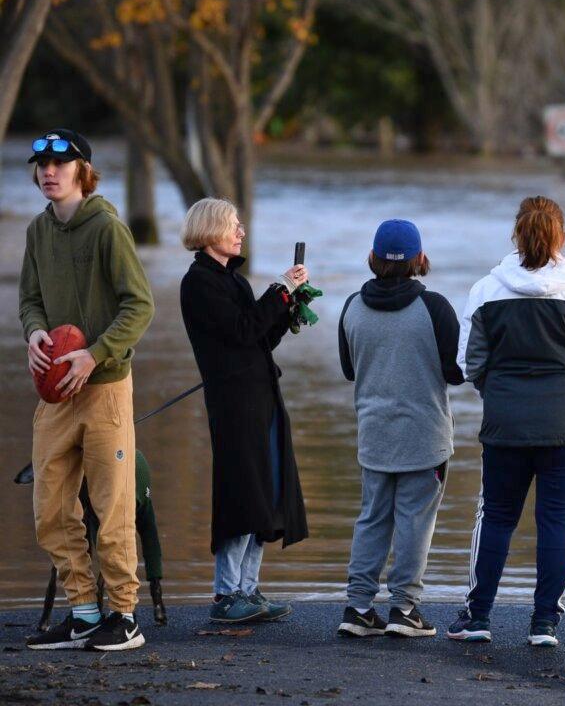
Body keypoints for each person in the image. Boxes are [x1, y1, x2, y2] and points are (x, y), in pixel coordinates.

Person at [448, 196, 565, 647]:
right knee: (558, 519)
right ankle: (544, 623)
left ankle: (478, 617)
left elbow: (469, 363)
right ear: (561, 235)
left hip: (506, 423)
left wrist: (499, 397)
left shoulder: (487, 290)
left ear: (516, 234)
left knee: (495, 515)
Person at [20, 129, 155, 651]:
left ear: (83, 171)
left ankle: (124, 615)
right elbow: (30, 299)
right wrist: (35, 332)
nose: (48, 172)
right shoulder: (38, 230)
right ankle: (82, 611)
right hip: (55, 394)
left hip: (105, 389)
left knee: (113, 508)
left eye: (60, 164)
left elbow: (140, 305)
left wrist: (95, 353)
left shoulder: (108, 229)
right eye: (41, 165)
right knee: (50, 509)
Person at [179, 198, 309, 624]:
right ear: (211, 231)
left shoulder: (232, 280)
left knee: (264, 494)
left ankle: (249, 590)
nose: (241, 232)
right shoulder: (199, 282)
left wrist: (286, 308)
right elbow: (240, 330)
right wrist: (279, 290)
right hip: (234, 405)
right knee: (241, 493)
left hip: (262, 398)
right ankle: (226, 594)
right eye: (233, 225)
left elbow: (258, 339)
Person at [336, 219, 464, 639]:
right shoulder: (436, 308)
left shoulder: (352, 306)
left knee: (372, 518)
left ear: (373, 258)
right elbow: (456, 372)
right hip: (425, 438)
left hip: (373, 434)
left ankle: (358, 608)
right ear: (419, 259)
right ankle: (404, 609)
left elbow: (350, 370)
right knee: (414, 522)